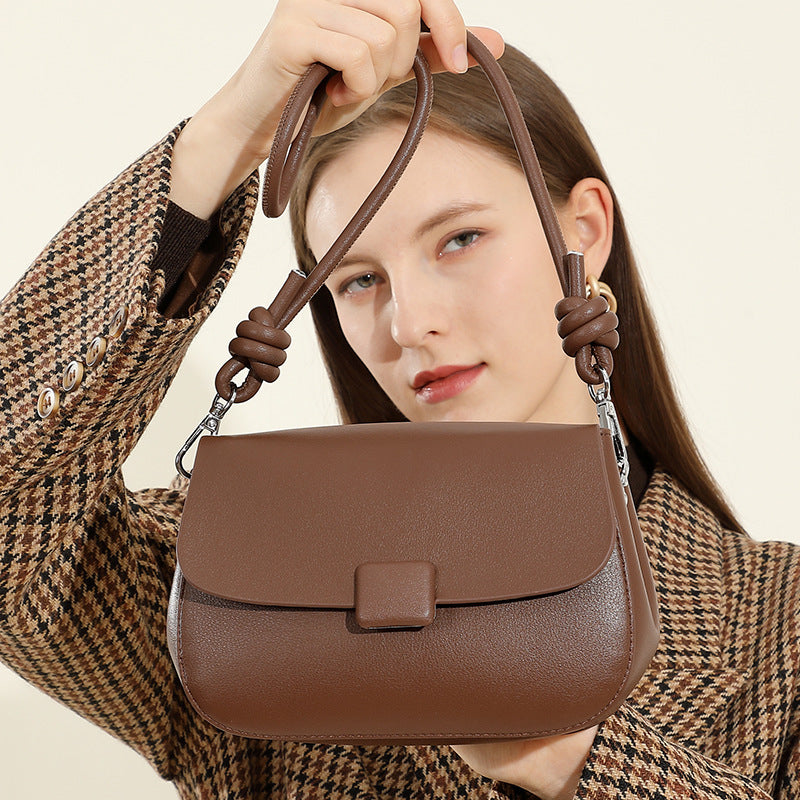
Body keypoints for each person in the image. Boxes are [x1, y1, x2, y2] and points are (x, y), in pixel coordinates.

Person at [0, 0, 796, 798]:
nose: (409, 323)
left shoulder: (778, 621)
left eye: (460, 239)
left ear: (582, 229)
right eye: (358, 280)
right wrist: (224, 141)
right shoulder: (238, 587)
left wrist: (568, 754)